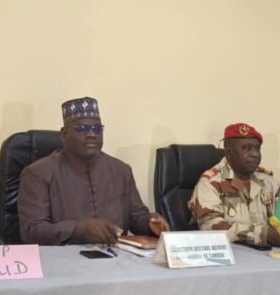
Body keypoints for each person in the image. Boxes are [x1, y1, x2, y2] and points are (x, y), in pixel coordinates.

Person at [18, 96, 169, 245]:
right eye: (81, 129)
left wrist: (150, 223)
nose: (91, 134)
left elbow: (136, 217)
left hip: (117, 255)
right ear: (64, 134)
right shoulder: (38, 173)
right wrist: (79, 229)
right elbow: (31, 231)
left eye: (97, 129)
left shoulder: (121, 170)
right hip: (64, 256)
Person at [189, 123, 280, 246]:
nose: (255, 154)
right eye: (247, 149)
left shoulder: (268, 182)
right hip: (232, 255)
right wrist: (260, 234)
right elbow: (210, 227)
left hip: (268, 253)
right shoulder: (211, 183)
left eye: (257, 149)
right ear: (229, 152)